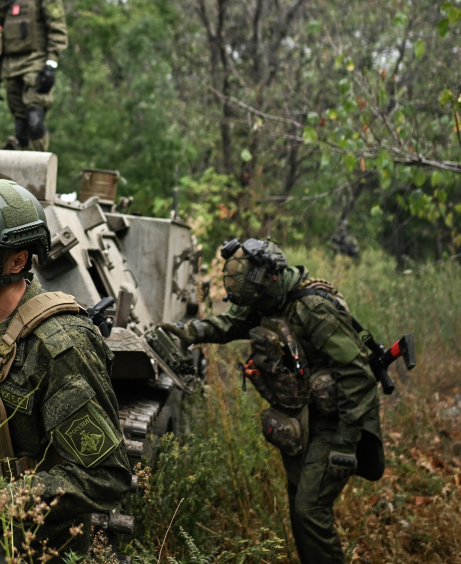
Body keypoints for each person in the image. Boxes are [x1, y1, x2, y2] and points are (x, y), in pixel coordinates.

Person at [0, 179, 132, 550]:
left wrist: (2, 503)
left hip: (36, 545)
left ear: (17, 261)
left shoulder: (60, 347)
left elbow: (106, 477)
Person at [162, 238, 384, 564]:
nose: (255, 307)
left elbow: (358, 376)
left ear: (273, 277)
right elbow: (235, 322)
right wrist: (193, 332)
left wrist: (346, 444)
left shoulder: (312, 309)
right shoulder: (269, 297)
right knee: (300, 504)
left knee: (310, 509)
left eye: (257, 300)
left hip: (337, 420)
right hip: (304, 416)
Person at [0, 0, 69, 151]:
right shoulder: (5, 2)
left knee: (35, 120)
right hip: (10, 68)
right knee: (21, 127)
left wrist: (51, 64)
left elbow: (57, 29)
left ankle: (40, 167)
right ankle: (24, 167)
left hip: (36, 63)